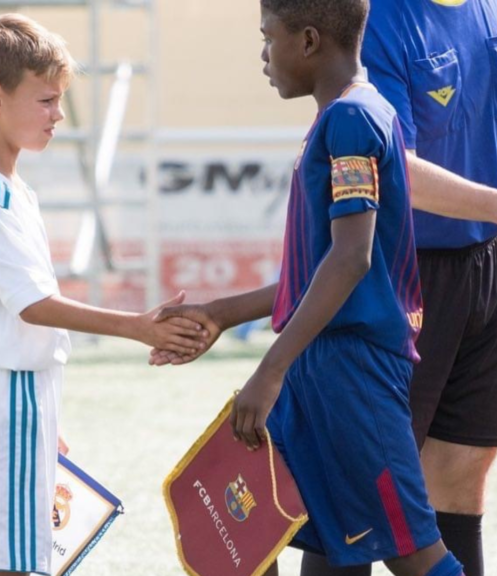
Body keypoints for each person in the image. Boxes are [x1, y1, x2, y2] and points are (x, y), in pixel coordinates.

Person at [163, 1, 462, 573]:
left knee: (412, 554)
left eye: (267, 37)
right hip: (320, 366)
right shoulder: (341, 116)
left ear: (307, 41)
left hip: (353, 373)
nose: (263, 54)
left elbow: (351, 259)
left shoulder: (352, 119)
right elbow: (321, 267)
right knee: (291, 539)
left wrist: (269, 369)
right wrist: (224, 312)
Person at [0, 14, 207, 576]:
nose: (58, 114)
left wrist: (45, 419)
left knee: (8, 557)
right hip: (6, 393)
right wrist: (138, 326)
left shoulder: (8, 188)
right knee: (10, 564)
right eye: (46, 100)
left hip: (14, 394)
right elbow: (32, 304)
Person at [296, 2, 497, 574]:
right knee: (358, 487)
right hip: (404, 276)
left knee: (462, 472)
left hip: (488, 264)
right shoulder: (379, 18)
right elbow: (395, 167)